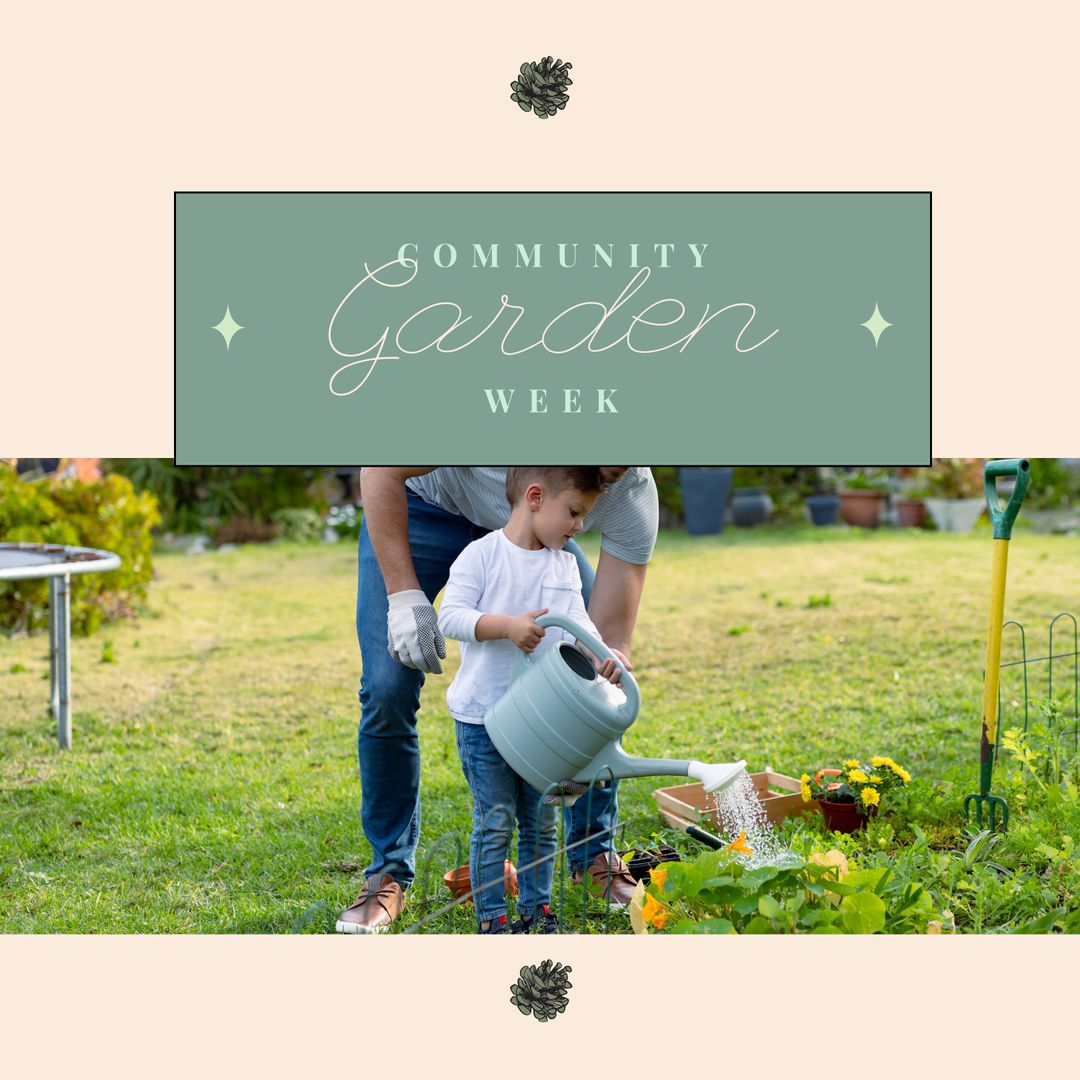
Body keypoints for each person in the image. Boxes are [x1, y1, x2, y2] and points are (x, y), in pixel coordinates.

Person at [336, 466, 658, 934]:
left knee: (600, 691)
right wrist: (406, 598)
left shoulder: (629, 495)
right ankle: (388, 872)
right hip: (424, 507)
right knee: (387, 687)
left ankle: (591, 853)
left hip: (533, 528)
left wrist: (606, 665)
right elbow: (380, 468)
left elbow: (606, 641)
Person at [439, 467, 624, 934]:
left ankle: (537, 911)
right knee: (496, 821)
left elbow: (580, 626)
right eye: (575, 512)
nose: (579, 526)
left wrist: (604, 655)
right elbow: (452, 616)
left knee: (540, 822)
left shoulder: (563, 564)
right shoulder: (480, 556)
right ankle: (494, 919)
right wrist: (506, 626)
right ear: (536, 497)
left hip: (541, 723)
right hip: (485, 718)